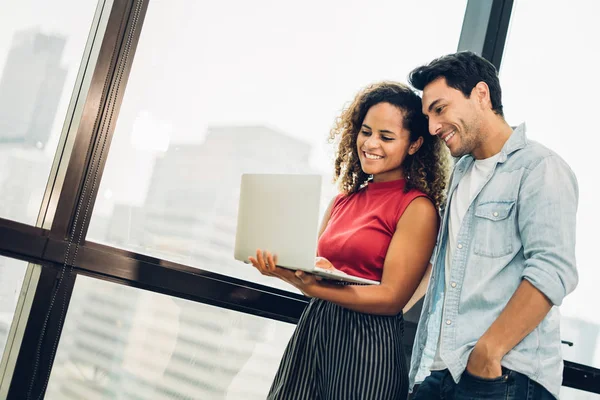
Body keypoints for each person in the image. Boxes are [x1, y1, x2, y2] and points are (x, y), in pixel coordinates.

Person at [247, 81, 450, 399]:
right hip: (316, 327)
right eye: (366, 131)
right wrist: (285, 270)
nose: (370, 143)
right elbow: (317, 269)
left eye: (386, 137)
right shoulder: (343, 200)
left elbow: (391, 299)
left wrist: (316, 287)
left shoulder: (418, 208)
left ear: (414, 145)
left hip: (366, 342)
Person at [407, 51, 579, 400]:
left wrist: (489, 353)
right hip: (443, 373)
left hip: (504, 377)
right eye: (428, 116)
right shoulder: (461, 174)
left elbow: (553, 270)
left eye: (440, 109)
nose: (433, 127)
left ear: (481, 95)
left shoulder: (539, 167)